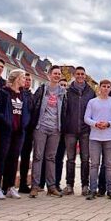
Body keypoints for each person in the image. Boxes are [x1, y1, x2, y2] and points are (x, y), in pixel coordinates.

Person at [0, 69, 30, 200]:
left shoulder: (24, 95)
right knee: (1, 158)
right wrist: (7, 121)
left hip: (18, 132)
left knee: (14, 159)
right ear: (16, 79)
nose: (25, 80)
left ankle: (10, 186)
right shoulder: (4, 93)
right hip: (5, 131)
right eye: (23, 77)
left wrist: (24, 123)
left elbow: (27, 111)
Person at [30, 65, 66, 198]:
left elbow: (64, 111)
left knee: (51, 158)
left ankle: (51, 186)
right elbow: (34, 105)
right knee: (38, 156)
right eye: (55, 73)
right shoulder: (42, 89)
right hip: (41, 127)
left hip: (55, 129)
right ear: (49, 75)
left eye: (59, 74)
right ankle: (35, 186)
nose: (57, 76)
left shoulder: (62, 92)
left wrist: (62, 126)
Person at [84, 79, 111, 200]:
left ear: (110, 88)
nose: (106, 88)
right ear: (99, 88)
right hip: (94, 137)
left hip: (110, 137)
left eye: (108, 86)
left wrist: (108, 124)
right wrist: (95, 124)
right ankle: (93, 190)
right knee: (94, 165)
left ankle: (110, 190)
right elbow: (86, 118)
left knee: (109, 165)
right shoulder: (92, 102)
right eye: (103, 86)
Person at [63, 67, 96, 196]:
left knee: (85, 159)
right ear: (74, 75)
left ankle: (85, 185)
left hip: (85, 130)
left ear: (85, 76)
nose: (80, 76)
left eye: (82, 74)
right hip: (70, 130)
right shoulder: (68, 91)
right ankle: (69, 185)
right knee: (70, 159)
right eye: (78, 74)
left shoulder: (90, 92)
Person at [18, 73, 36, 194]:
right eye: (26, 79)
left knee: (25, 158)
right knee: (12, 157)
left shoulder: (32, 96)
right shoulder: (17, 93)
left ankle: (23, 183)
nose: (27, 81)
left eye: (30, 80)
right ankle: (7, 185)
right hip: (16, 129)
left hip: (28, 130)